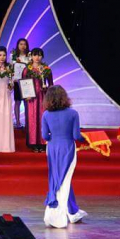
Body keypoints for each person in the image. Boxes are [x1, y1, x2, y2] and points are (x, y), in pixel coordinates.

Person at [42, 86, 88, 228]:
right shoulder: (73, 113)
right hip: (67, 148)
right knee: (64, 180)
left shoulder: (46, 114)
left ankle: (73, 212)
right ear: (64, 97)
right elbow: (76, 136)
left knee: (59, 179)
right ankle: (57, 218)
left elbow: (45, 136)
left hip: (52, 148)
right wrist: (87, 139)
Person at [22, 48, 54, 152]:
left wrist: (48, 91)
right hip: (31, 98)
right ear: (31, 56)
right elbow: (23, 83)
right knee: (32, 118)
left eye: (40, 55)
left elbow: (51, 84)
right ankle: (33, 143)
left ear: (42, 57)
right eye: (35, 55)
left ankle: (43, 142)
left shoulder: (46, 69)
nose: (37, 57)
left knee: (43, 118)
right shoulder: (27, 69)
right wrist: (26, 95)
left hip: (43, 97)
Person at [10, 38, 31, 127]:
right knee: (17, 102)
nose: (23, 46)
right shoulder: (13, 56)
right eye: (21, 44)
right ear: (17, 45)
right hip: (17, 81)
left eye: (24, 44)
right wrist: (12, 79)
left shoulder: (29, 56)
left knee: (27, 102)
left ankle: (28, 122)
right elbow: (11, 69)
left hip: (27, 82)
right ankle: (18, 122)